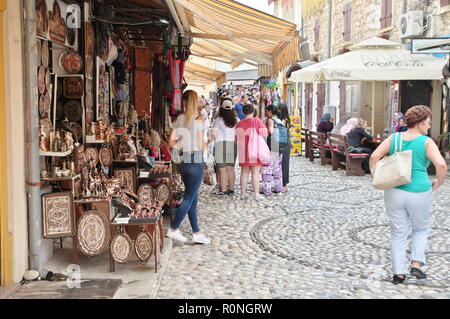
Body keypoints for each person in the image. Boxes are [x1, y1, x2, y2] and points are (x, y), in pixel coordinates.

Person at [369, 105, 447, 285]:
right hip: (419, 191)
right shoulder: (426, 142)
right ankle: (416, 264)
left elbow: (374, 157)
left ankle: (398, 273)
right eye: (427, 122)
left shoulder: (394, 138)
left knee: (398, 232)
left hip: (394, 190)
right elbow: (441, 165)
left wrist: (378, 176)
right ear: (419, 123)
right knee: (420, 228)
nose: (428, 125)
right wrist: (439, 183)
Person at [167, 90, 211, 244]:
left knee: (192, 196)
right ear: (195, 101)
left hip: (183, 162)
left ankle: (197, 232)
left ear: (185, 102)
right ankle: (174, 229)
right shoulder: (199, 119)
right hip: (195, 161)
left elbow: (171, 143)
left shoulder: (179, 119)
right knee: (189, 197)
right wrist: (207, 142)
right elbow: (200, 145)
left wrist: (184, 142)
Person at [235, 103, 268, 200]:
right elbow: (264, 133)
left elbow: (236, 137)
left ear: (243, 112)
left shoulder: (239, 123)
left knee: (244, 172)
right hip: (255, 149)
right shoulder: (257, 121)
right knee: (255, 172)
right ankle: (256, 194)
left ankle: (243, 193)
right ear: (253, 111)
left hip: (243, 149)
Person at [210, 98, 238, 196]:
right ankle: (231, 188)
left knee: (222, 169)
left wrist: (207, 142)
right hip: (232, 144)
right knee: (230, 168)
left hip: (220, 144)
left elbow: (214, 133)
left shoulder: (218, 119)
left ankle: (223, 189)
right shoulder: (236, 120)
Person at [261, 105, 286, 196]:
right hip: (280, 146)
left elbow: (271, 132)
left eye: (267, 111)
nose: (265, 113)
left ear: (271, 111)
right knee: (277, 167)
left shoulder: (270, 120)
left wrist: (265, 126)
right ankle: (278, 188)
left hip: (273, 146)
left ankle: (267, 189)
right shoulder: (279, 120)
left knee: (268, 167)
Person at [277, 103, 292, 193]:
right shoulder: (286, 120)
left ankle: (284, 184)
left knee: (284, 164)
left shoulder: (284, 120)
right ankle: (280, 183)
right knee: (279, 164)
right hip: (284, 142)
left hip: (284, 143)